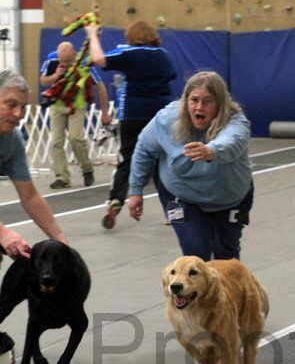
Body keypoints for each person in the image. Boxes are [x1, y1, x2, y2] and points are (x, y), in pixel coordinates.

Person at [127, 71, 254, 261]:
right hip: (179, 196)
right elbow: (145, 148)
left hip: (231, 198)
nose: (199, 107)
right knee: (195, 253)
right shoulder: (167, 119)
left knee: (227, 257)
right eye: (194, 100)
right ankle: (196, 291)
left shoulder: (236, 120)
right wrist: (136, 190)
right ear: (185, 101)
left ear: (220, 104)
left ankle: (229, 291)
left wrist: (212, 151)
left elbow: (232, 140)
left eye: (207, 101)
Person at [86, 20, 176, 229]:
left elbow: (98, 59)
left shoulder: (129, 53)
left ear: (131, 37)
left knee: (127, 159)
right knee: (161, 160)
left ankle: (116, 199)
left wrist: (92, 34)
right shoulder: (163, 55)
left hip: (133, 113)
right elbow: (171, 75)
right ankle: (172, 211)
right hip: (160, 114)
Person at [0, 69, 66, 258]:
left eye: (22, 107)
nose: (18, 114)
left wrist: (60, 241)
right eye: (11, 104)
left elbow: (29, 196)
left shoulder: (12, 139)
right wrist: (3, 233)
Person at [40, 41, 112, 189]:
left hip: (77, 104)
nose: (64, 63)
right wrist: (55, 75)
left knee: (75, 137)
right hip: (57, 103)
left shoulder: (84, 63)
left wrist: (105, 112)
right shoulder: (52, 59)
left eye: (67, 61)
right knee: (56, 141)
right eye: (61, 60)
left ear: (74, 55)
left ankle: (87, 168)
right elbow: (43, 80)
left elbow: (101, 87)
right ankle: (62, 177)